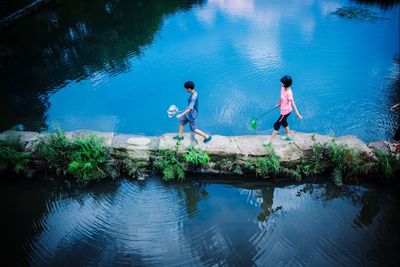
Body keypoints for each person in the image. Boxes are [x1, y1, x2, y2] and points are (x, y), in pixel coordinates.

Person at [264, 75, 302, 145]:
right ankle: (288, 136)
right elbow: (281, 97)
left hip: (286, 112)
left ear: (286, 84)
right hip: (282, 110)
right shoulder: (282, 88)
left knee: (277, 124)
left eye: (283, 83)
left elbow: (293, 103)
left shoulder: (289, 93)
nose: (281, 84)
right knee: (284, 122)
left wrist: (297, 114)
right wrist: (278, 104)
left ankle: (269, 141)